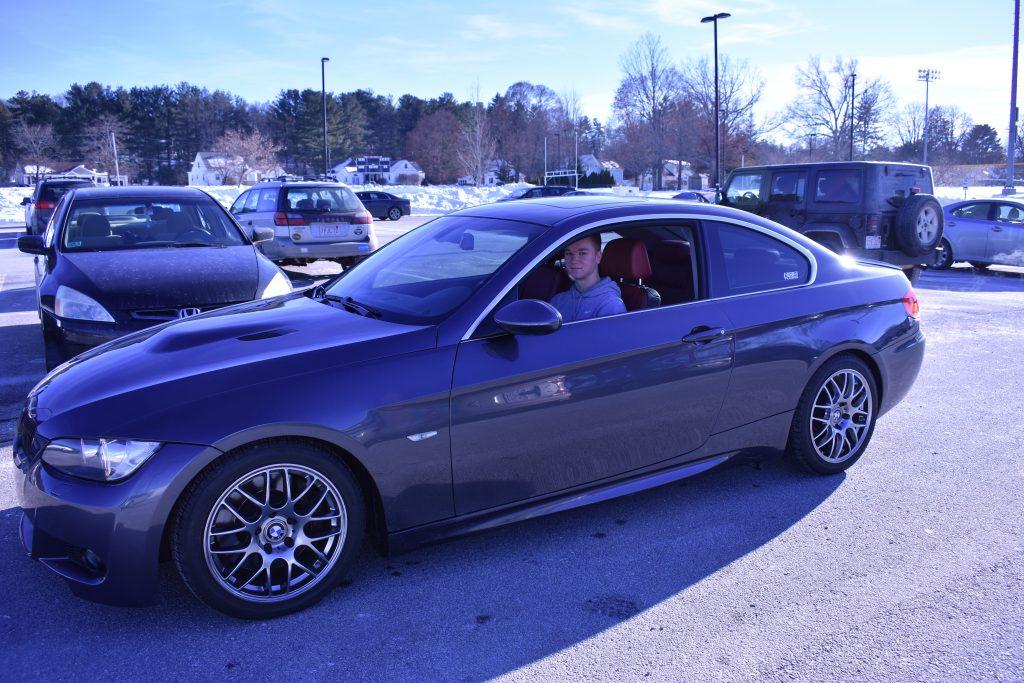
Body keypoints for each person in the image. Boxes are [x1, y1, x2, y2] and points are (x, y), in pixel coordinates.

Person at [549, 235, 626, 322]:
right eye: (569, 253)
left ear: (598, 257)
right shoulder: (558, 300)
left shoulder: (610, 305)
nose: (574, 260)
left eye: (582, 253)